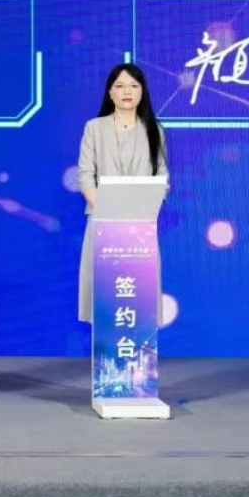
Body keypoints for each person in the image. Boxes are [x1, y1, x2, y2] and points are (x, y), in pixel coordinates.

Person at [76, 63, 168, 323]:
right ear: (110, 92)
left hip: (140, 224)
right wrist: (107, 211)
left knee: (138, 297)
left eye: (133, 86)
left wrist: (146, 208)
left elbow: (162, 176)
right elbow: (85, 175)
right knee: (106, 294)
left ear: (142, 92)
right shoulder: (94, 128)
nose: (127, 91)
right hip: (102, 221)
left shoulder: (155, 130)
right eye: (120, 86)